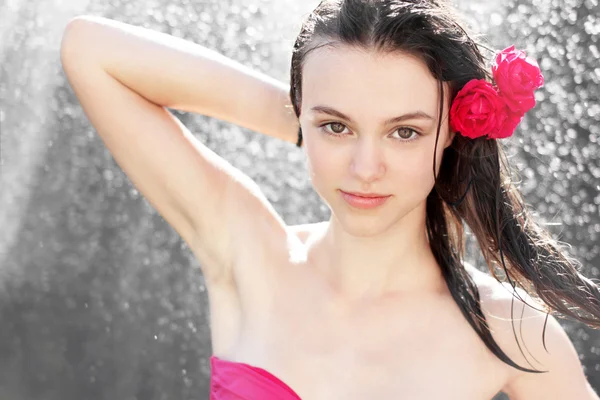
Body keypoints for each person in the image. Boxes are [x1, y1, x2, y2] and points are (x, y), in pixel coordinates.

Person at [59, 0, 600, 399]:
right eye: (338, 127)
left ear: (453, 131)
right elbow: (89, 49)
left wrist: (329, 120)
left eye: (404, 132)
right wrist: (303, 120)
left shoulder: (512, 329)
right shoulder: (251, 256)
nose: (366, 169)